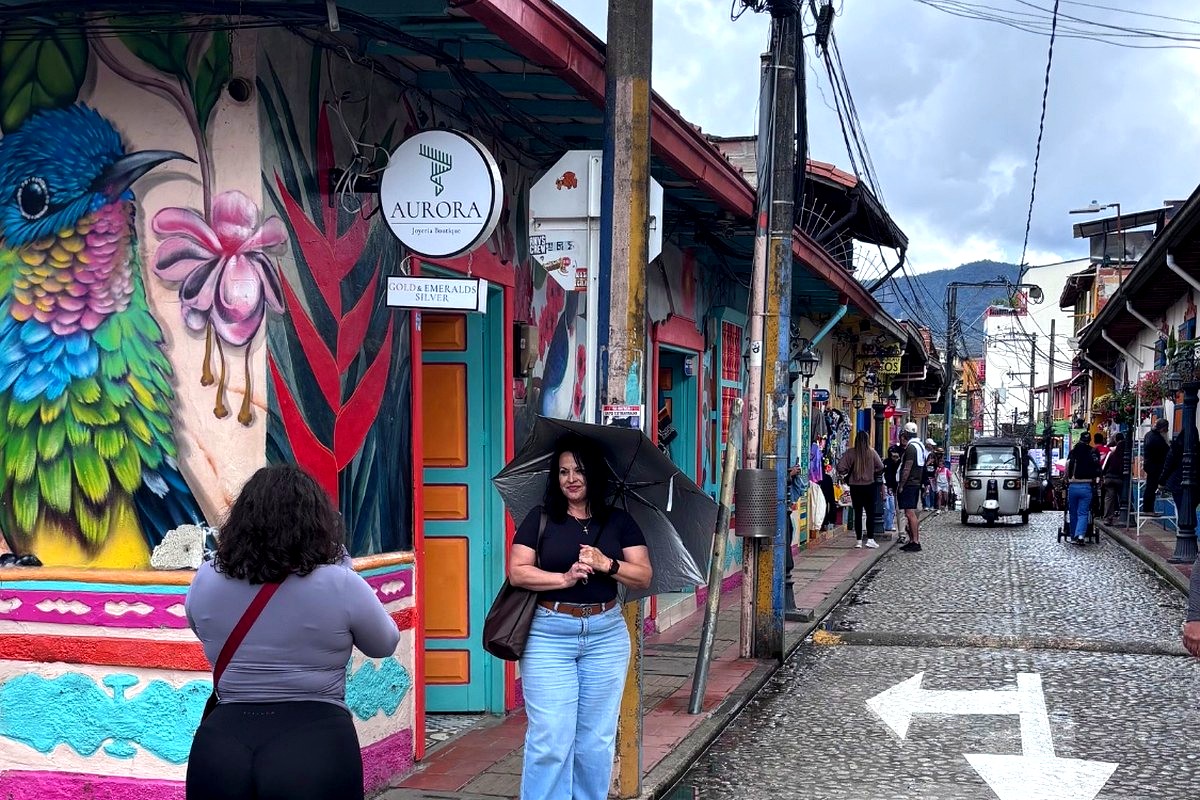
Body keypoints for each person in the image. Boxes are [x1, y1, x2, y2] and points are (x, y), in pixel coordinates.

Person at [185, 464, 401, 800]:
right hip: (316, 745)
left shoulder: (207, 578)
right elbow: (384, 643)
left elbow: (199, 626)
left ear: (242, 520)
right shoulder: (340, 582)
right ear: (316, 522)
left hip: (221, 745)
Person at [509, 435, 652, 800]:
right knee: (551, 738)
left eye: (579, 471)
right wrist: (564, 578)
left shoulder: (619, 523)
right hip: (548, 633)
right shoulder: (540, 519)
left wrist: (607, 563)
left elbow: (643, 575)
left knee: (595, 742)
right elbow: (518, 572)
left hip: (605, 635)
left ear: (594, 476)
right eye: (563, 471)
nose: (571, 478)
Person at [836, 432, 885, 549]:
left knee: (857, 513)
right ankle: (870, 539)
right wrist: (872, 471)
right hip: (869, 485)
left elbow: (840, 467)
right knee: (870, 513)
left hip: (855, 486)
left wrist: (848, 472)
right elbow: (881, 466)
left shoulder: (850, 453)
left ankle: (858, 541)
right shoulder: (871, 452)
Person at [1159, 424, 1200, 525]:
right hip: (1195, 485)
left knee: (1181, 510)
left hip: (1177, 484)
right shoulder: (1197, 448)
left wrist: (1161, 481)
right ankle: (1187, 531)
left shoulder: (1175, 447)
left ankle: (1182, 531)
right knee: (1190, 510)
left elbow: (1167, 467)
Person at [1066, 431, 1100, 544]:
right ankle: (1080, 535)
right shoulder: (1093, 452)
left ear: (1080, 439)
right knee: (1083, 512)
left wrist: (1067, 479)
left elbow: (1067, 466)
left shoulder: (1073, 452)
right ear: (1089, 440)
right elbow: (1097, 468)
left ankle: (1073, 535)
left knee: (1073, 511)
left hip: (1073, 485)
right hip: (1086, 485)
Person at [898, 426, 926, 552]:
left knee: (910, 513)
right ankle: (912, 540)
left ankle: (915, 541)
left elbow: (907, 468)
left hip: (910, 484)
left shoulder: (911, 448)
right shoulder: (920, 446)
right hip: (916, 483)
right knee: (910, 513)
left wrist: (902, 484)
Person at [1142, 419, 1170, 515]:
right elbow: (1166, 452)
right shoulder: (1157, 439)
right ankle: (1148, 509)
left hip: (1150, 464)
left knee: (1150, 486)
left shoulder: (1149, 435)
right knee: (1151, 487)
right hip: (1155, 466)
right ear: (1163, 429)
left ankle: (1148, 508)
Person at [1101, 432, 1126, 523]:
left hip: (1110, 478)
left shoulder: (1111, 451)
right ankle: (1126, 516)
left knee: (1109, 498)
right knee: (1123, 497)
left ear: (1115, 440)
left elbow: (1104, 466)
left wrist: (1102, 475)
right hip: (1120, 478)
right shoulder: (1125, 451)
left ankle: (1108, 518)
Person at [883, 444, 903, 535]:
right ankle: (886, 524)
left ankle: (890, 524)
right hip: (887, 486)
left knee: (893, 508)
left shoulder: (900, 463)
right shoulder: (886, 462)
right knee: (887, 507)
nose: (895, 458)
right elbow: (885, 474)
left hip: (897, 487)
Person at [922, 439, 939, 511]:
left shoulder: (932, 454)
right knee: (925, 490)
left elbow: (936, 465)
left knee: (932, 491)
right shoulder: (923, 452)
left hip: (932, 475)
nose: (932, 446)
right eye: (931, 445)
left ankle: (931, 505)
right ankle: (925, 505)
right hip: (925, 474)